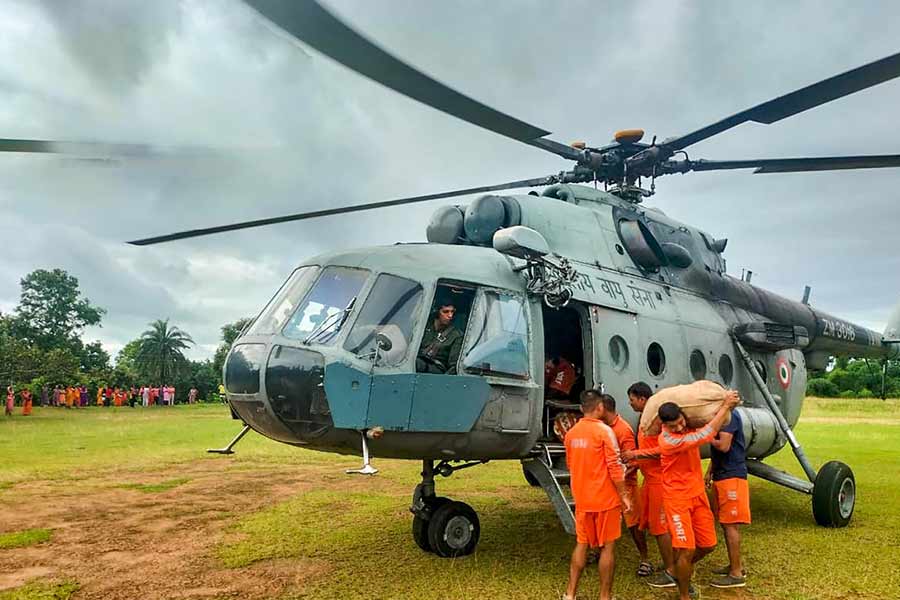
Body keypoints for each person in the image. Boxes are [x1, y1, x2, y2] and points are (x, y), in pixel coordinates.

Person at [626, 392, 740, 600]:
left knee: (708, 545)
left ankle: (678, 569)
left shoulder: (688, 424)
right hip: (677, 500)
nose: (679, 428)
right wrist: (725, 406)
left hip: (697, 495)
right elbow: (706, 434)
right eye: (673, 426)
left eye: (680, 423)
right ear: (663, 425)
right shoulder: (668, 439)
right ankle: (684, 594)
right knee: (686, 549)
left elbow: (704, 423)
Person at [562, 389, 632, 600]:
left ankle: (570, 594)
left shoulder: (571, 434)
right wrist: (624, 495)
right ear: (600, 407)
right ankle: (604, 596)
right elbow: (614, 466)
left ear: (582, 408)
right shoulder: (604, 431)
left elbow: (569, 464)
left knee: (581, 544)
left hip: (583, 500)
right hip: (605, 500)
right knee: (608, 548)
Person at [625, 381, 675, 587]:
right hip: (649, 480)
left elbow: (664, 450)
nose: (631, 404)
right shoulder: (645, 419)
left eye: (632, 400)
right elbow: (650, 451)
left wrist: (635, 454)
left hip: (660, 481)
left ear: (643, 398)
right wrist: (636, 463)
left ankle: (672, 571)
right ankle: (670, 564)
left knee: (660, 527)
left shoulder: (659, 420)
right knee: (653, 525)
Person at [600, 393, 650, 577]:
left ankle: (645, 559)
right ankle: (597, 551)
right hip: (607, 485)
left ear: (603, 409)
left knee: (634, 525)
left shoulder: (623, 430)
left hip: (625, 485)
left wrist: (618, 478)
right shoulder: (602, 428)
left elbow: (633, 461)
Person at [706, 407, 749, 588]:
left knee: (731, 526)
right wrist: (710, 471)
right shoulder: (720, 417)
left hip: (732, 476)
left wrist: (705, 435)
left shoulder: (729, 417)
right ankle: (733, 565)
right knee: (725, 523)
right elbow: (718, 452)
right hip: (722, 475)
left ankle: (736, 573)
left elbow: (723, 446)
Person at [416, 302, 463, 374]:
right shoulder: (424, 326)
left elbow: (453, 366)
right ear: (437, 312)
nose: (450, 315)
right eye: (445, 312)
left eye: (452, 312)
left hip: (437, 369)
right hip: (417, 360)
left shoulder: (456, 335)